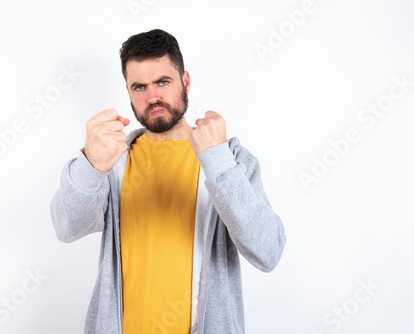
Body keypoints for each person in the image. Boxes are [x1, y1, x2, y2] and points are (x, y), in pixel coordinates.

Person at [50, 28, 286, 334]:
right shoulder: (113, 160)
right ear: (128, 92)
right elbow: (66, 227)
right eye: (139, 87)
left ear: (185, 82)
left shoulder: (229, 160)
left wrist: (218, 163)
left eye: (163, 82)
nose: (153, 97)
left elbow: (268, 252)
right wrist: (91, 165)